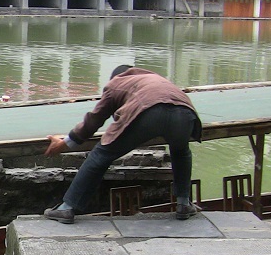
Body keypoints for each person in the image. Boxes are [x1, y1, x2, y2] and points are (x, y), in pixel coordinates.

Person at [43, 65, 202, 223]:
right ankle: (183, 203)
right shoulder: (155, 79)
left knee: (102, 154)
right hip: (185, 113)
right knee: (181, 152)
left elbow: (94, 120)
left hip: (147, 111)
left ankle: (67, 207)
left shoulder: (116, 83)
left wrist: (67, 142)